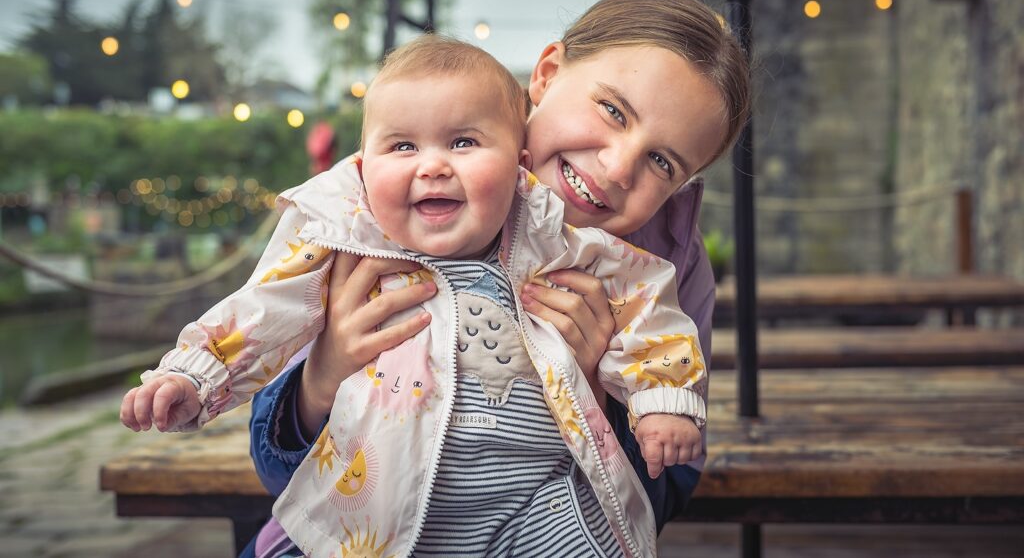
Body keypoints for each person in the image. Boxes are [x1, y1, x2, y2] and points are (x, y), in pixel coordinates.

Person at [121, 28, 729, 557]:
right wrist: (201, 374)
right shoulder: (352, 234)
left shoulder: (569, 241)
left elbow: (650, 301)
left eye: (663, 162)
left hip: (536, 517)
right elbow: (264, 312)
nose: (619, 167)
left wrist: (649, 400)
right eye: (614, 111)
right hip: (372, 514)